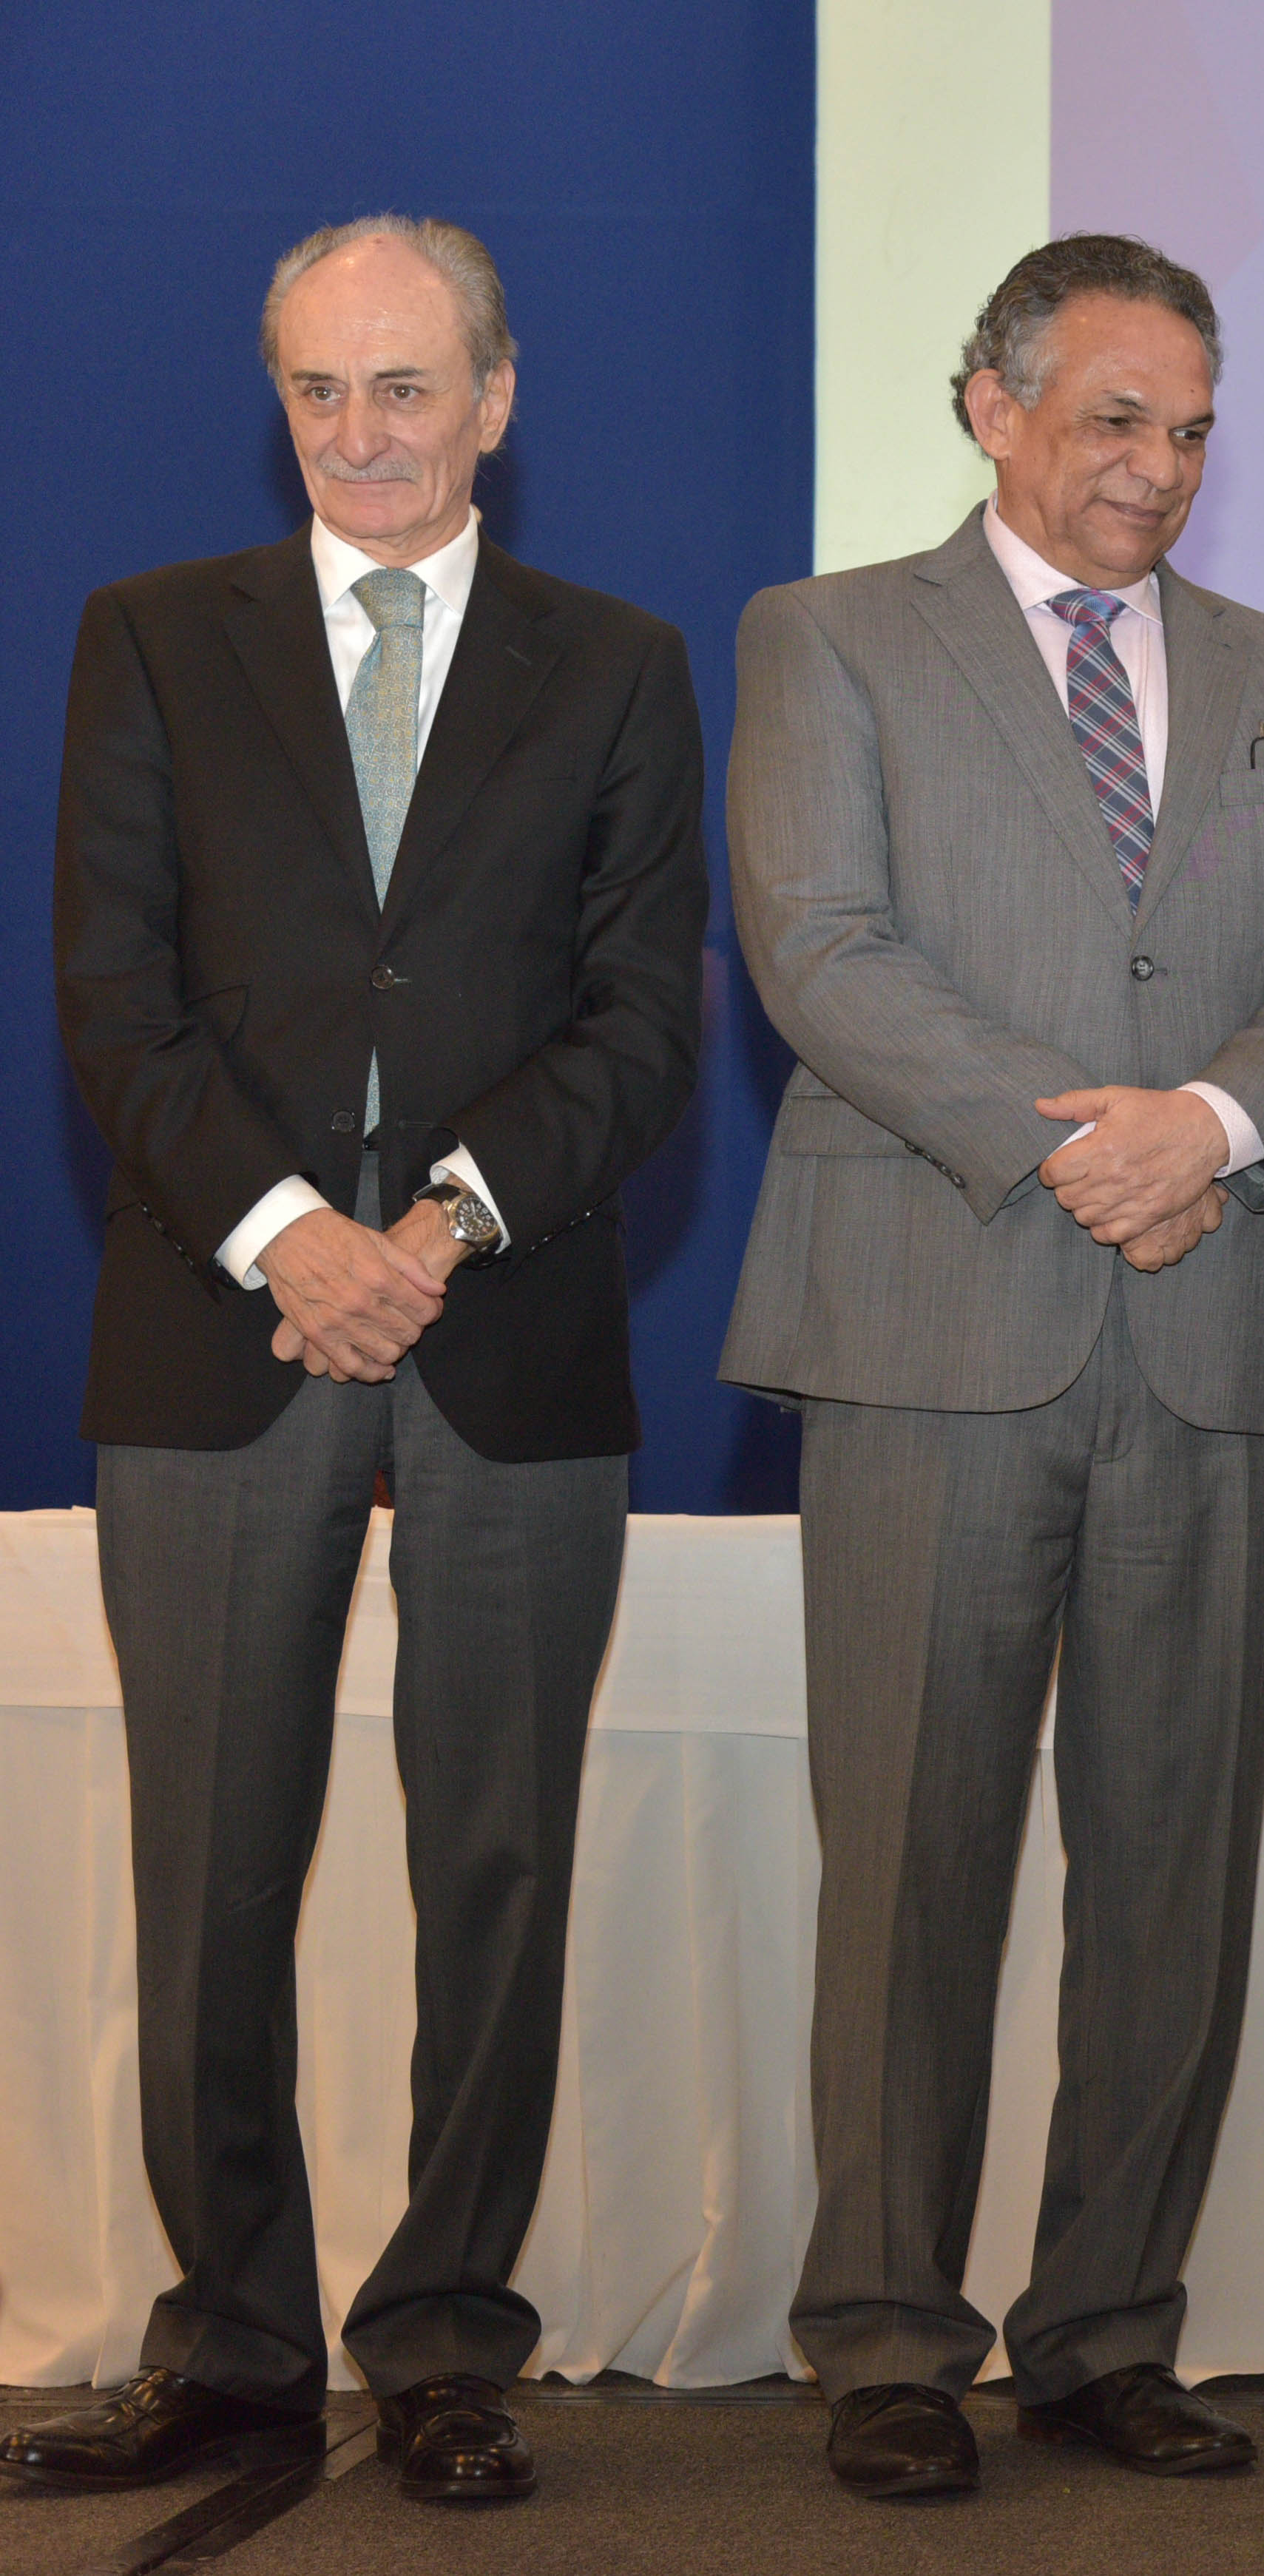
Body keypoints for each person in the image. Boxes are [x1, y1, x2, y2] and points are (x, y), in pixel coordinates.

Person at [12, 217, 705, 2506]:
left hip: (510, 1324)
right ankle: (228, 2345)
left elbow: (645, 1018)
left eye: (405, 386)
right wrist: (294, 1237)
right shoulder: (151, 637)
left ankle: (445, 2342)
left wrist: (435, 1229)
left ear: (494, 398)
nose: (361, 432)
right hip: (222, 1325)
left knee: (495, 1865)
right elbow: (113, 991)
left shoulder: (618, 663)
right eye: (318, 389)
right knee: (209, 1865)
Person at [720, 233, 1264, 2501]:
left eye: (1191, 429)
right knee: (908, 1869)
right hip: (933, 1325)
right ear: (991, 407)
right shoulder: (828, 638)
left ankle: (1107, 2330)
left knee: (1172, 1872)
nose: (1158, 467)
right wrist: (1089, 1144)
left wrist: (1208, 1125)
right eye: (1115, 418)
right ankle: (885, 2339)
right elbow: (821, 946)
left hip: (1216, 1330)